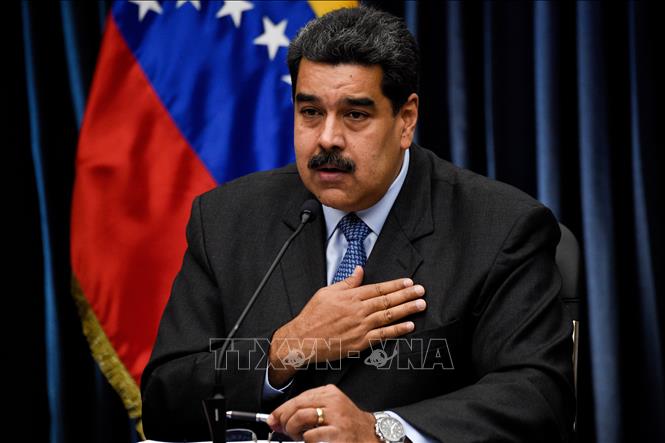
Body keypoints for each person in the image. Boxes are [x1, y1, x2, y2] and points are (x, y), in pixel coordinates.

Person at [141, 6, 574, 442]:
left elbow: (538, 396)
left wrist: (379, 430)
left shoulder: (499, 228)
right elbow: (164, 398)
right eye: (310, 112)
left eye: (355, 115)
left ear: (406, 120)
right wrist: (285, 350)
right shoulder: (228, 219)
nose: (327, 138)